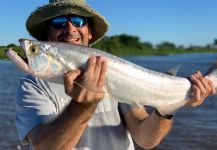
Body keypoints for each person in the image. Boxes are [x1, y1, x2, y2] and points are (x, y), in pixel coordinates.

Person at [16, 0, 216, 149]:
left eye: (78, 21)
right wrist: (83, 105)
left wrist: (168, 109)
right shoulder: (32, 86)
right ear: (48, 35)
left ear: (90, 32)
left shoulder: (111, 67)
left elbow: (146, 139)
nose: (70, 29)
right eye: (59, 21)